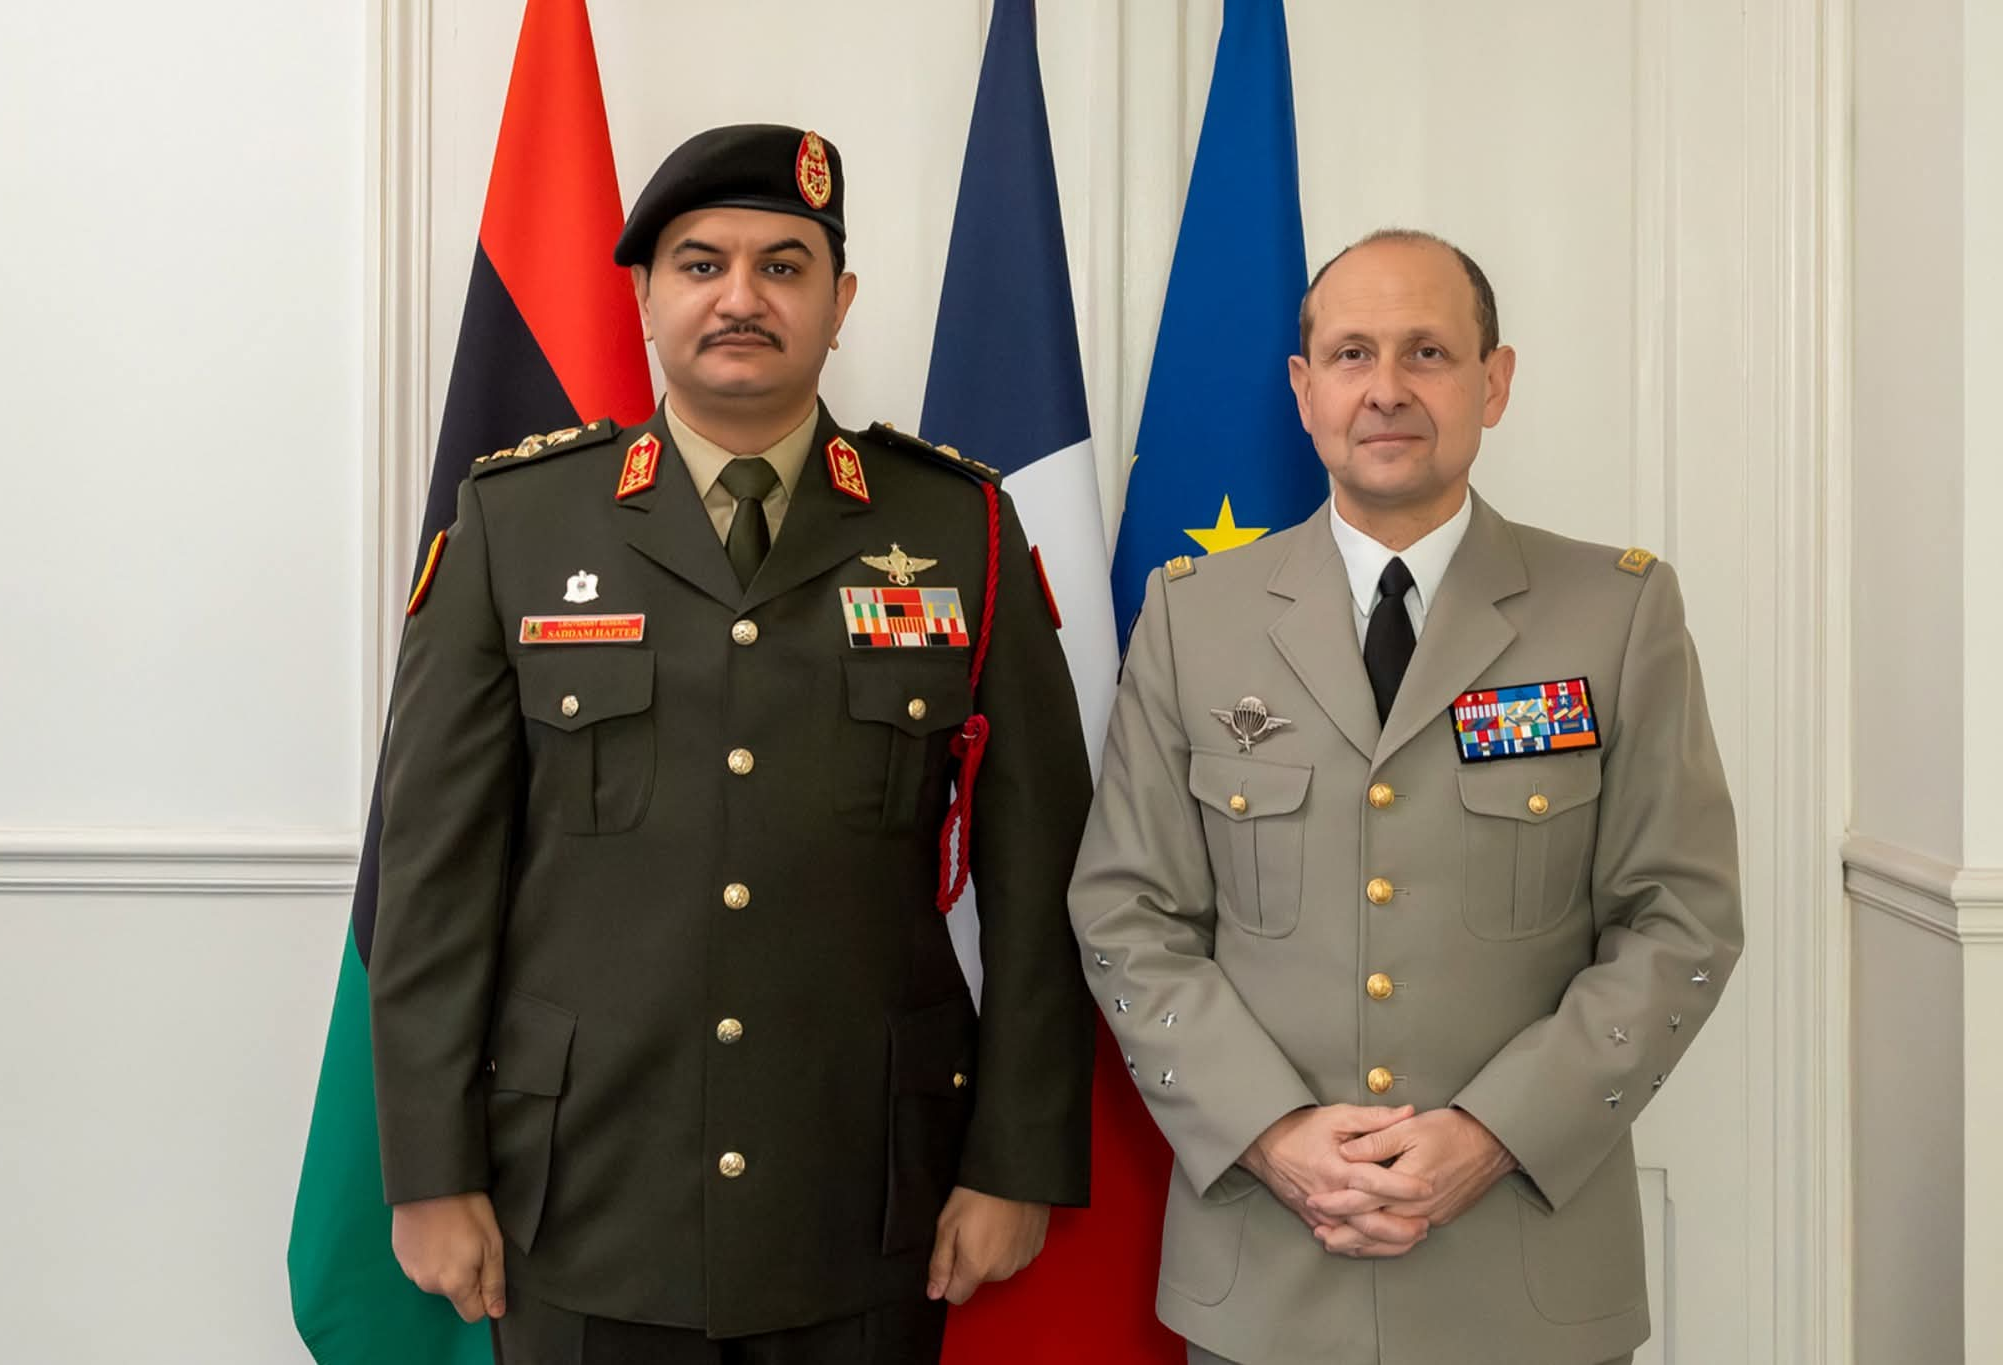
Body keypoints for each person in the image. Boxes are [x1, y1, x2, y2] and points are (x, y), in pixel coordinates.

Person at [369, 123, 1093, 1365]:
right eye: (700, 264)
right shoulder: (518, 523)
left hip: (863, 1191)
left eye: (783, 266)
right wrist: (429, 1172)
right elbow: (433, 877)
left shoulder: (959, 527)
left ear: (839, 302)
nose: (740, 297)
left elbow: (1040, 875)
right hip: (582, 1187)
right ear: (645, 299)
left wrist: (1013, 1160)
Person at [1068, 229, 1742, 1365]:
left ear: (1494, 381)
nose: (1385, 388)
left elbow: (1682, 918)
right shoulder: (1193, 619)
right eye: (1351, 354)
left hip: (1523, 1278)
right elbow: (1127, 914)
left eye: (1427, 351)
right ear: (1303, 390)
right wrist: (1271, 1131)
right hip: (1265, 1278)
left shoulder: (1615, 614)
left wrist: (1494, 1132)